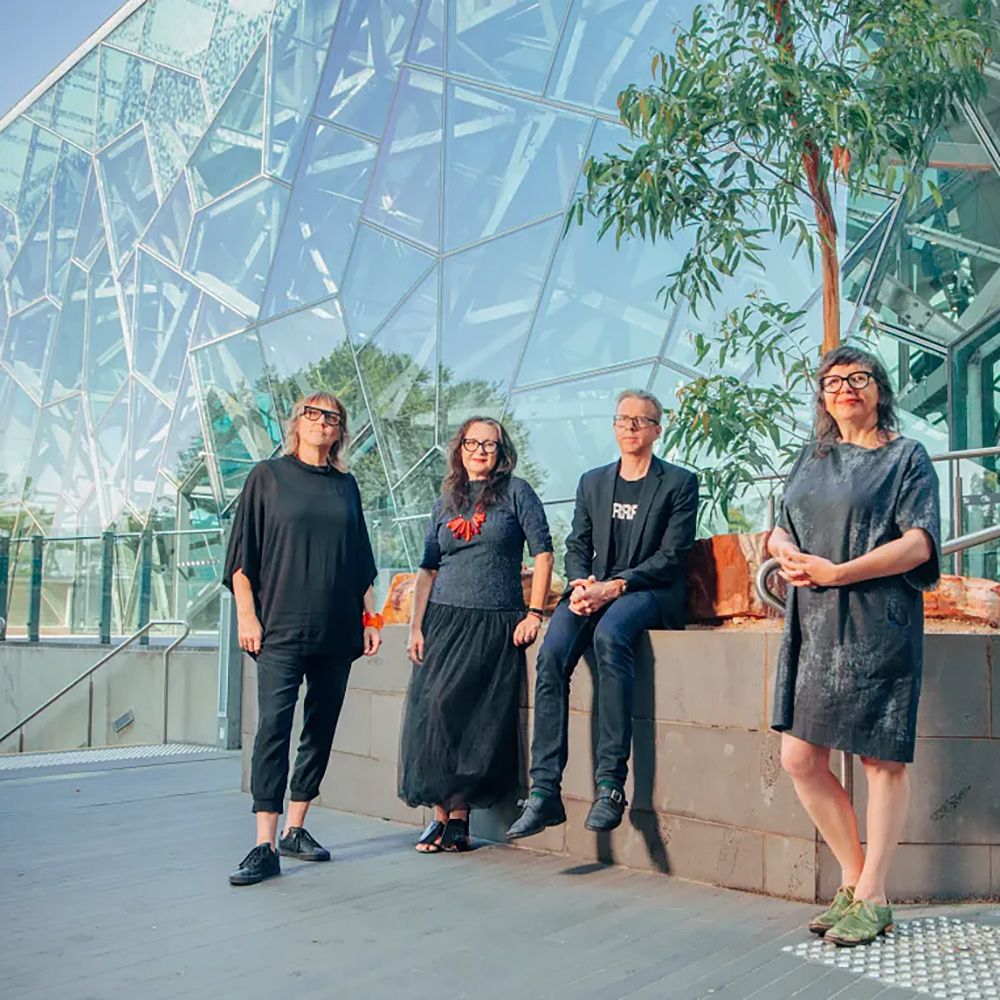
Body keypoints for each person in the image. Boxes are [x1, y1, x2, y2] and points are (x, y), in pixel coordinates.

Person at [769, 346, 940, 947]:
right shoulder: (810, 458)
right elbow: (780, 523)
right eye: (833, 381)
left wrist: (838, 572)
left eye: (858, 378)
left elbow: (919, 546)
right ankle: (853, 876)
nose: (846, 388)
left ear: (879, 389)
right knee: (799, 757)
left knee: (879, 760)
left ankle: (874, 893)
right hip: (812, 623)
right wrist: (786, 552)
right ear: (822, 396)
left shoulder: (905, 457)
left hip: (879, 622)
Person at [506, 390, 698, 840]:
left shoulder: (678, 483)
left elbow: (674, 556)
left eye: (640, 421)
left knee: (610, 636)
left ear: (657, 429)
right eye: (623, 419)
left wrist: (614, 586)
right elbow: (578, 544)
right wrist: (579, 583)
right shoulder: (593, 482)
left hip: (649, 591)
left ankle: (611, 785)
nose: (630, 427)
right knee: (552, 652)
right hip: (595, 589)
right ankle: (544, 791)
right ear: (614, 427)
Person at [223, 391, 383, 886]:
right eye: (311, 414)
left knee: (321, 728)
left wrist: (371, 621)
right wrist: (247, 619)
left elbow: (360, 561)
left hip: (337, 627)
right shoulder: (267, 477)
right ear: (297, 423)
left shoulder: (346, 486)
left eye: (330, 417)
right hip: (280, 628)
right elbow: (241, 562)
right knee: (273, 726)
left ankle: (296, 829)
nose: (320, 423)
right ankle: (264, 843)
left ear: (339, 430)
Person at [399, 417, 553, 852]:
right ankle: (438, 815)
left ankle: (460, 816)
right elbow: (428, 568)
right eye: (472, 442)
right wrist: (415, 626)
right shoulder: (445, 500)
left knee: (476, 720)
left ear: (502, 452)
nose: (480, 450)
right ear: (460, 448)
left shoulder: (517, 492)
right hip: (443, 621)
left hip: (494, 621)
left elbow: (543, 553)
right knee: (434, 714)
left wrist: (534, 612)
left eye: (490, 444)